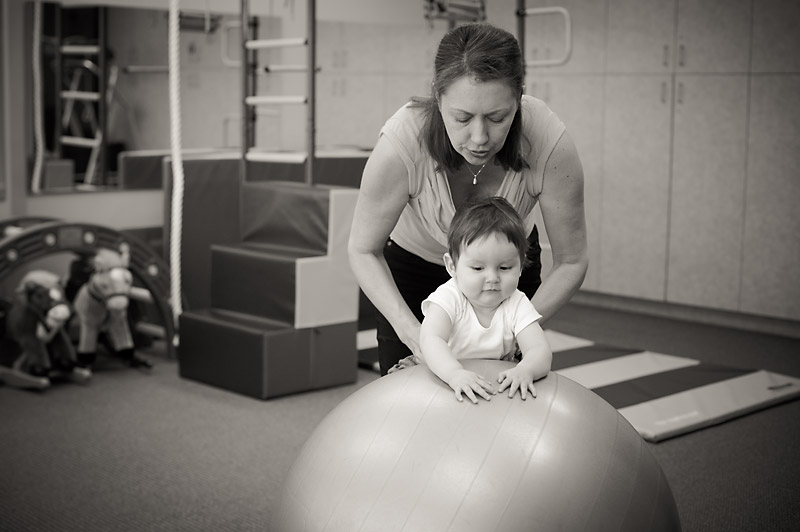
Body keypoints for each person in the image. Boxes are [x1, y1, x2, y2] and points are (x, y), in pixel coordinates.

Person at [348, 22, 587, 376]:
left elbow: (572, 260)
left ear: (518, 98)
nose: (479, 138)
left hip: (504, 274)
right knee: (414, 406)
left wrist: (519, 333)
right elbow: (363, 249)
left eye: (497, 117)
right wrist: (416, 337)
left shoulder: (549, 144)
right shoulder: (402, 144)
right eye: (461, 118)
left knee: (506, 406)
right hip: (415, 270)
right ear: (438, 97)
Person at [419, 197, 552, 403]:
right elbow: (431, 340)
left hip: (492, 379)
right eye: (478, 268)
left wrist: (526, 369)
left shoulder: (516, 303)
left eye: (505, 268)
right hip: (443, 372)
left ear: (521, 265)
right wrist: (454, 373)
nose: (492, 278)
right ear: (452, 266)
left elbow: (539, 349)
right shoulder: (449, 297)